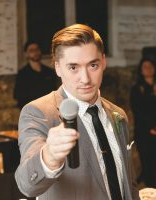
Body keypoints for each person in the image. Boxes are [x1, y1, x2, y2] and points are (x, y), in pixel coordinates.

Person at [15, 24, 139, 200]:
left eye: (93, 65)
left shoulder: (118, 115)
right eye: (73, 67)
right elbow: (26, 184)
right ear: (58, 68)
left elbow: (129, 181)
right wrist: (49, 156)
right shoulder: (38, 112)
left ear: (103, 62)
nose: (85, 79)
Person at [130, 58, 156, 187]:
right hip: (144, 130)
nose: (148, 68)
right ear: (141, 70)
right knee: (147, 157)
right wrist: (152, 127)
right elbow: (138, 111)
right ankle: (150, 182)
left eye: (151, 66)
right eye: (145, 66)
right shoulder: (137, 89)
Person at [13, 41, 58, 109]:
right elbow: (18, 96)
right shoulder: (22, 74)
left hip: (49, 110)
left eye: (37, 49)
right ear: (26, 54)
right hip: (32, 112)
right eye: (31, 50)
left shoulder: (49, 72)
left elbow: (55, 94)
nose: (35, 52)